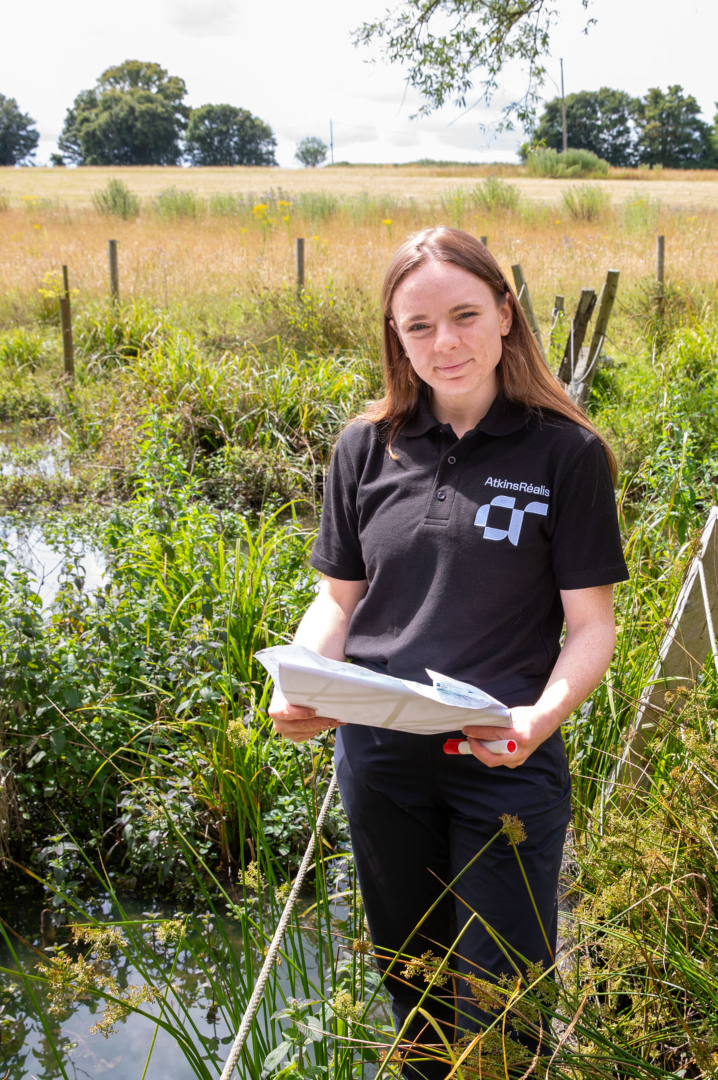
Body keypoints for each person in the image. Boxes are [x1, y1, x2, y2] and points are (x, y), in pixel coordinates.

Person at [269, 227, 627, 1078]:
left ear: (506, 313)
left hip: (504, 756)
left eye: (464, 315)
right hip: (380, 761)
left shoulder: (565, 453)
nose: (444, 344)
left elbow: (591, 625)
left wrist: (537, 721)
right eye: (418, 326)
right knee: (414, 988)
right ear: (394, 334)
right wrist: (301, 681)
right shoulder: (365, 447)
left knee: (504, 1002)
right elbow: (337, 599)